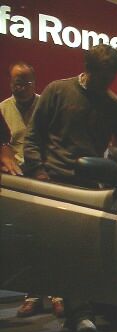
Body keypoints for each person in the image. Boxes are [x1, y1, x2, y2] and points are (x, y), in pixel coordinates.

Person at [23, 43, 117, 332]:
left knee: (81, 252)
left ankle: (80, 315)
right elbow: (33, 136)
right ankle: (79, 314)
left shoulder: (112, 104)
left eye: (110, 78)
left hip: (90, 187)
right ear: (88, 69)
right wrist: (38, 171)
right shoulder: (57, 91)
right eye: (102, 77)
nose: (106, 84)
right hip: (53, 183)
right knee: (63, 252)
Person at [1, 62, 64, 318]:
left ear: (34, 83)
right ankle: (33, 294)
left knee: (53, 237)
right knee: (28, 240)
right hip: (17, 182)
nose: (21, 87)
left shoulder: (45, 105)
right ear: (10, 82)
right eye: (16, 82)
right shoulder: (3, 109)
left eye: (25, 82)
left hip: (45, 177)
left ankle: (59, 292)